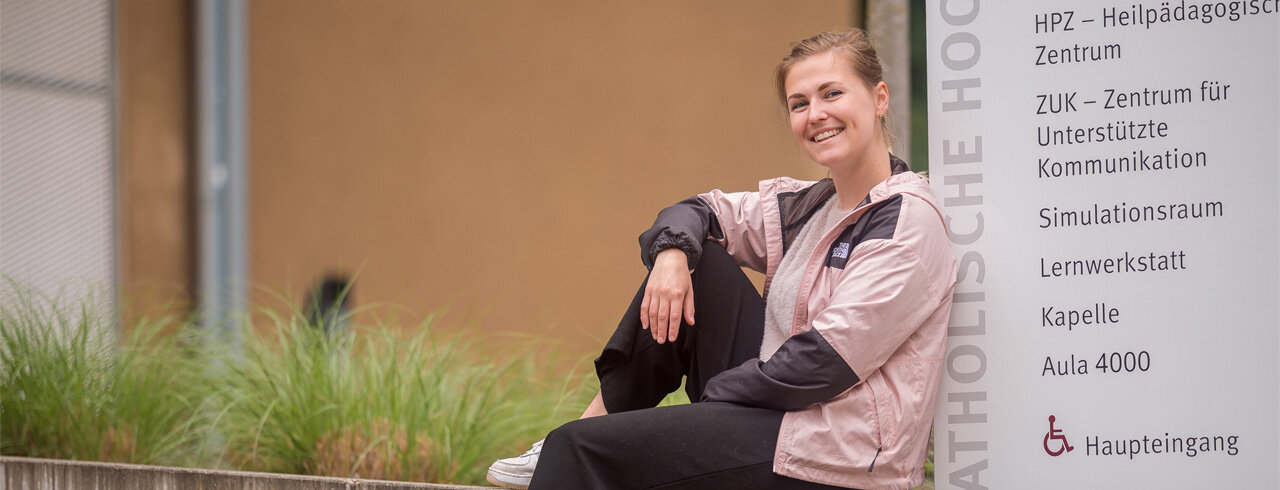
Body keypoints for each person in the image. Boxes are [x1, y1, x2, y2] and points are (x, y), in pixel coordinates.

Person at [486, 29, 955, 490]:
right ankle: (584, 428)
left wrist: (712, 406)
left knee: (579, 449)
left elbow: (824, 363)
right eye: (799, 103)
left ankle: (566, 447)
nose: (816, 114)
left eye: (832, 93)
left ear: (879, 98)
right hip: (779, 410)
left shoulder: (903, 219)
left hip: (838, 456)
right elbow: (696, 211)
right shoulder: (803, 205)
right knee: (698, 261)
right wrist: (672, 255)